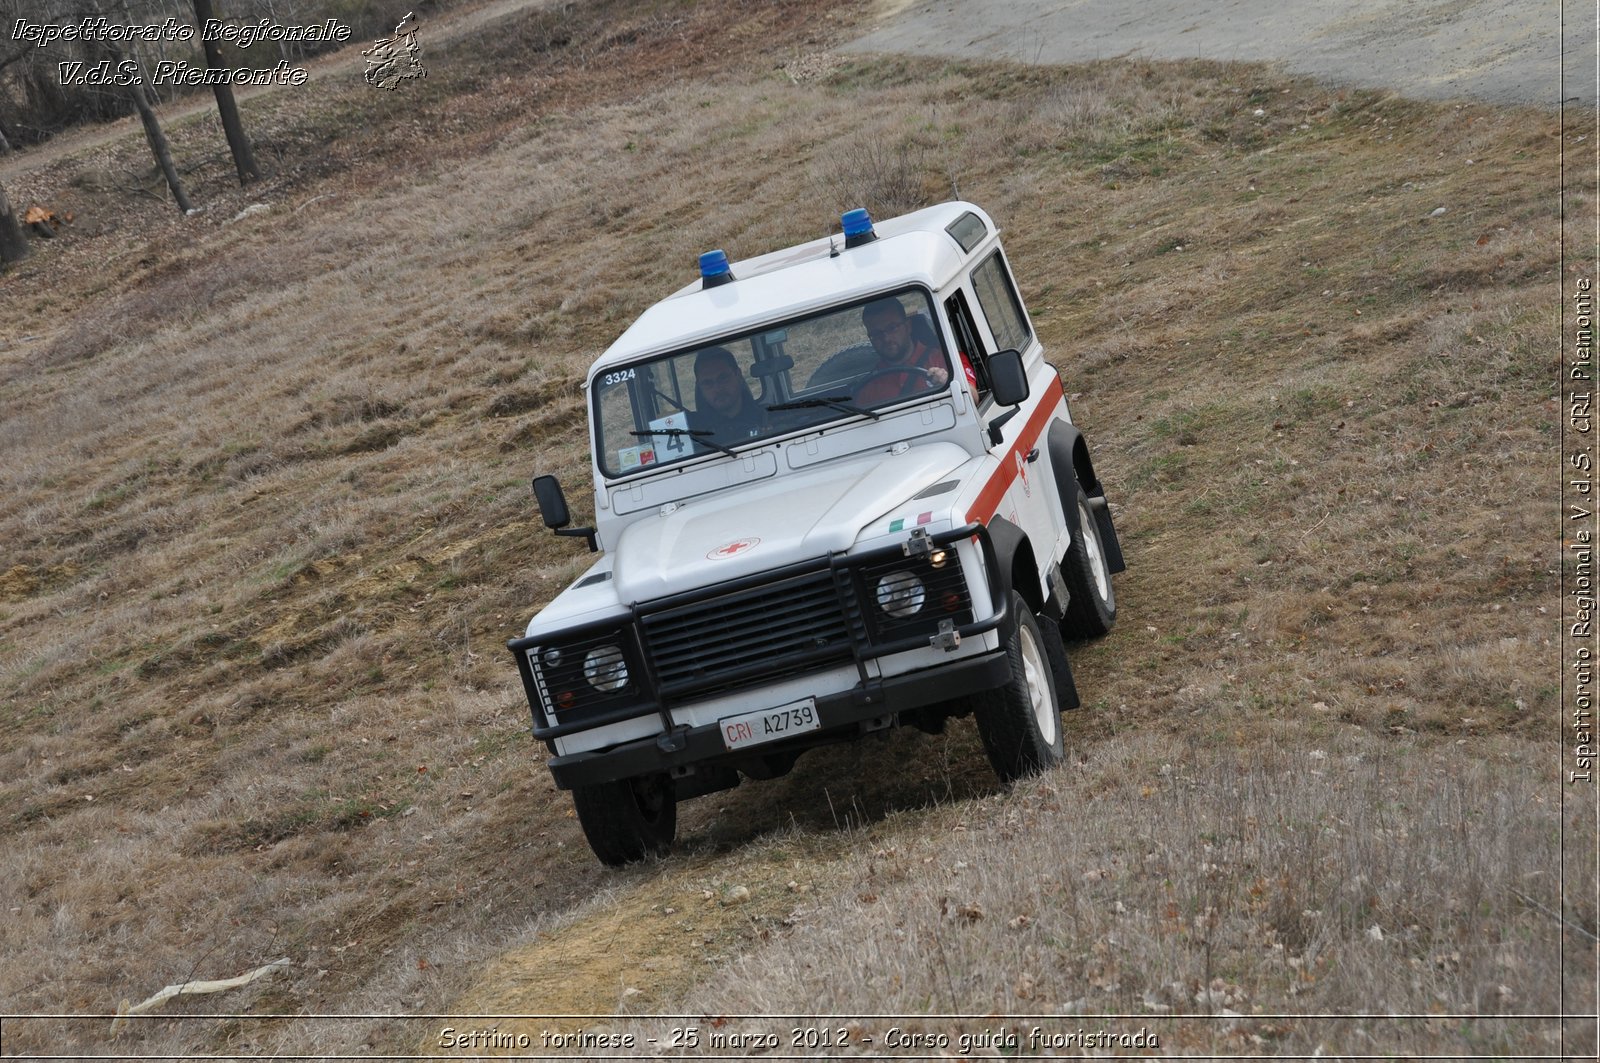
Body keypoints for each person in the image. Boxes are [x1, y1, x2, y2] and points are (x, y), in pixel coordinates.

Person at [855, 298, 952, 405]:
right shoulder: (870, 386)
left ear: (908, 326)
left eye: (892, 328)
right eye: (876, 334)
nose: (886, 338)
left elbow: (972, 395)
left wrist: (947, 383)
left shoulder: (945, 359)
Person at [688, 346, 765, 441]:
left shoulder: (767, 419)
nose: (717, 388)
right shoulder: (691, 435)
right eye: (707, 383)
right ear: (699, 387)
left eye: (723, 378)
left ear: (738, 375)